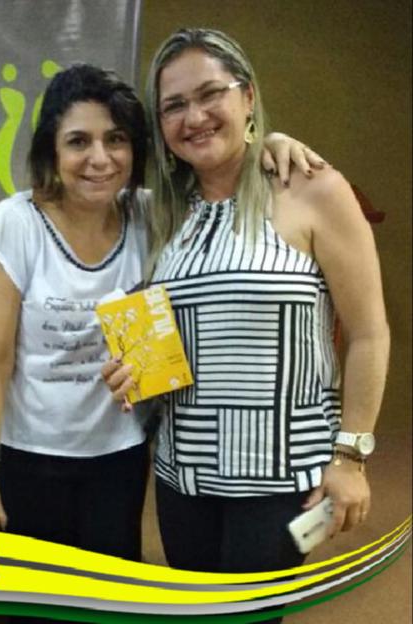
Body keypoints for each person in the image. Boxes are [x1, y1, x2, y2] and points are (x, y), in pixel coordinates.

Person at [0, 62, 326, 563]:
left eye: (115, 139)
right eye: (78, 141)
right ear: (53, 147)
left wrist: (271, 142)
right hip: (32, 459)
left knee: (112, 597)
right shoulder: (16, 223)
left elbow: (222, 168)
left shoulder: (150, 213)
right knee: (41, 603)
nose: (99, 158)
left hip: (119, 456)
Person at [104, 28, 389, 622]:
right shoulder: (168, 213)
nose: (196, 116)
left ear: (249, 96)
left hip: (282, 481)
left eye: (211, 94)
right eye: (175, 105)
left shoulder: (312, 189)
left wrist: (352, 455)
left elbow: (368, 333)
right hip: (182, 475)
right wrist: (134, 369)